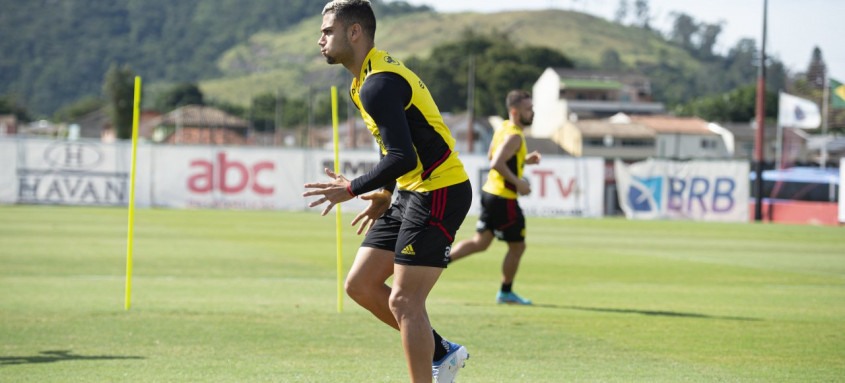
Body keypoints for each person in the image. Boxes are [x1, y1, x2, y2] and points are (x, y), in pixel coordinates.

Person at [303, 1, 471, 381]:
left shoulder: (379, 83)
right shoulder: (362, 81)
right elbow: (392, 145)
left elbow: (401, 154)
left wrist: (352, 188)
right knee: (360, 285)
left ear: (355, 32)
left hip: (439, 190)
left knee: (404, 299)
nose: (320, 40)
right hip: (410, 190)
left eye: (327, 31)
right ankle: (442, 351)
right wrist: (384, 193)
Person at [447, 90, 541, 305]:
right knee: (518, 246)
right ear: (515, 111)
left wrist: (524, 160)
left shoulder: (504, 128)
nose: (532, 112)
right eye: (529, 109)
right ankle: (506, 292)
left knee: (480, 243)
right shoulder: (515, 134)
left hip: (491, 193)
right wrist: (520, 184)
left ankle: (439, 260)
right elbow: (496, 163)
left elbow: (493, 154)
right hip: (503, 197)